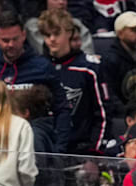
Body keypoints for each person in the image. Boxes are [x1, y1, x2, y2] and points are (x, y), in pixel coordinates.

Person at [40, 9, 109, 156]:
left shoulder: (89, 68)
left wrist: (94, 153)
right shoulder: (38, 68)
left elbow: (103, 114)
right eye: (47, 35)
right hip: (45, 148)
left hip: (80, 151)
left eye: (57, 33)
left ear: (69, 33)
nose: (51, 39)